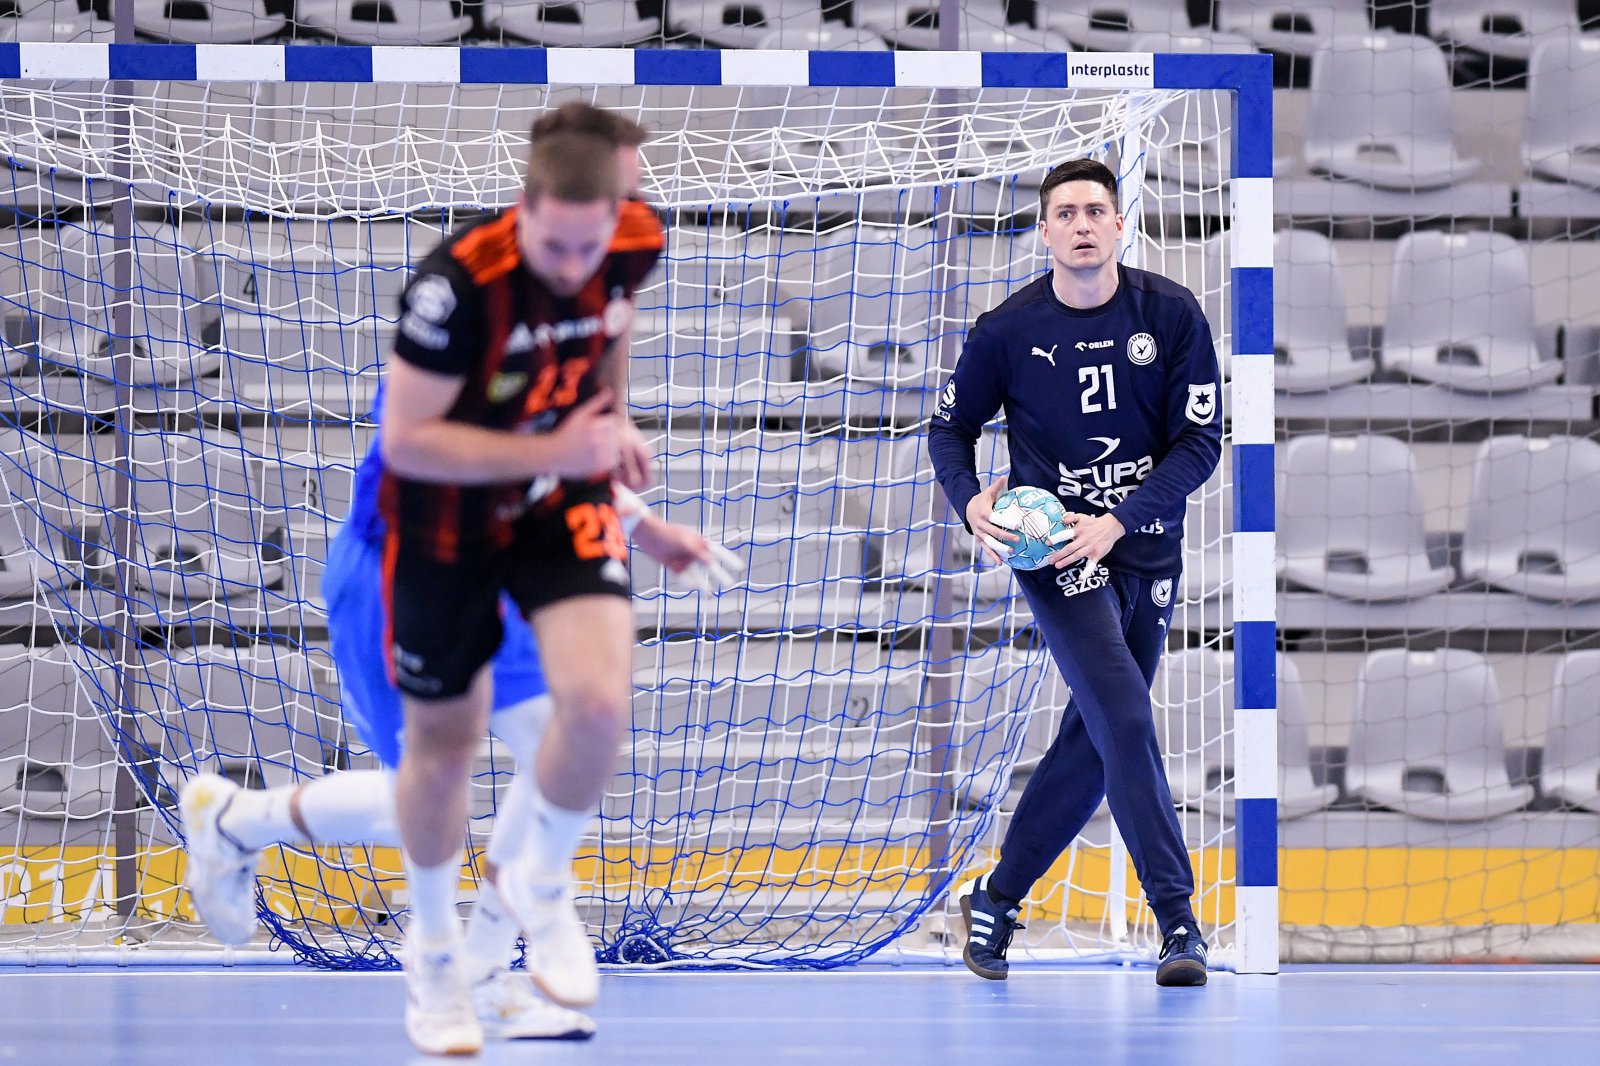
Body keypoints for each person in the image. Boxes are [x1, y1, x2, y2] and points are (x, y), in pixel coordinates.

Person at [181, 111, 664, 1057]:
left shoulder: (612, 258)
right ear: (535, 205)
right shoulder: (463, 303)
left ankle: (490, 957)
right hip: (399, 553)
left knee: (566, 738)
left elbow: (573, 423)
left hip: (509, 542)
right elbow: (469, 448)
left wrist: (634, 496)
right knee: (429, 784)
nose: (620, 220)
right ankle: (239, 821)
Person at [927, 157, 1222, 988]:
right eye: (1066, 212)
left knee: (1096, 742)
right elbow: (949, 430)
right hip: (1056, 554)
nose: (1082, 224)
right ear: (1045, 231)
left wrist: (1119, 521)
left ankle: (996, 897)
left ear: (1120, 224)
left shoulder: (1171, 314)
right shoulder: (1007, 331)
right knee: (1124, 716)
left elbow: (1201, 443)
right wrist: (970, 503)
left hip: (1145, 544)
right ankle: (1178, 921)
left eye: (1096, 209)